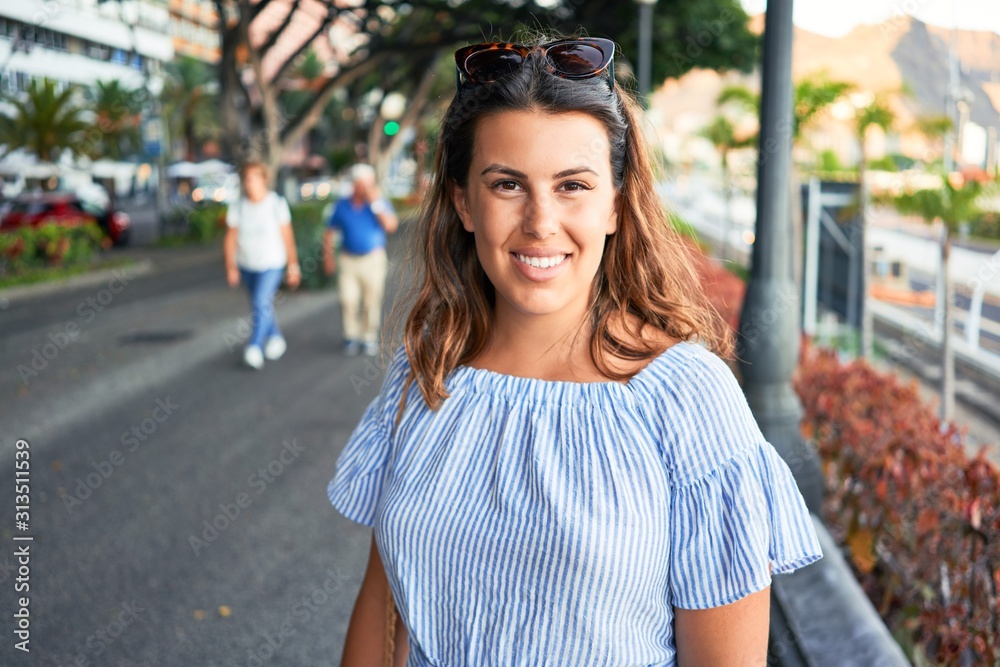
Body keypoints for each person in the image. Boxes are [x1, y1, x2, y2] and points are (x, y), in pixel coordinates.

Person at [328, 34, 823, 666]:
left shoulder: (686, 398)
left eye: (572, 186)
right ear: (463, 203)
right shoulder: (425, 368)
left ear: (615, 204)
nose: (540, 221)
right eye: (507, 184)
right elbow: (383, 609)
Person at [224, 160, 300, 370]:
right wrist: (231, 266)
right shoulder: (238, 206)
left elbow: (287, 236)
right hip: (247, 264)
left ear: (264, 180)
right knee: (261, 304)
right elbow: (230, 238)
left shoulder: (276, 203)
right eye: (246, 179)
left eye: (254, 178)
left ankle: (254, 347)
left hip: (272, 263)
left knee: (260, 300)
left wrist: (293, 266)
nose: (250, 183)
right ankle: (275, 337)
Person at [324, 163, 399, 357]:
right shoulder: (342, 204)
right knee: (348, 299)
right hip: (348, 260)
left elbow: (390, 226)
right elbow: (330, 231)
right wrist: (328, 257)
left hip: (373, 259)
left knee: (371, 300)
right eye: (361, 183)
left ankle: (368, 337)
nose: (365, 187)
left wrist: (375, 203)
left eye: (368, 183)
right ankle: (350, 335)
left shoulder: (378, 202)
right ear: (354, 184)